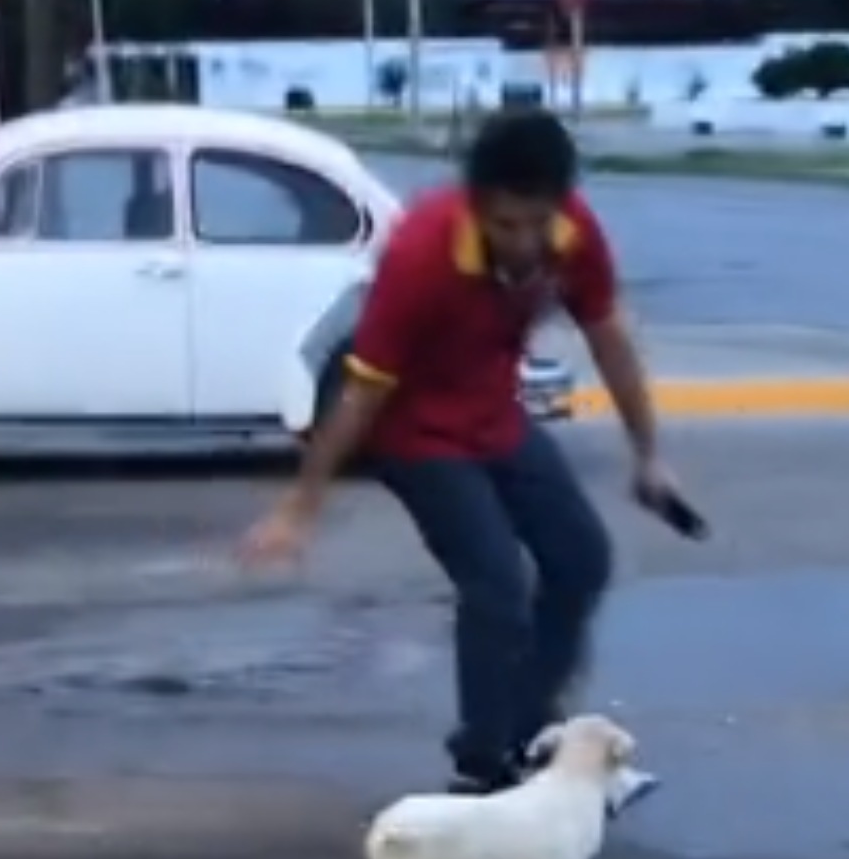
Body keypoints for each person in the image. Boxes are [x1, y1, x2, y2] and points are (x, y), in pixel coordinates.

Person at [238, 108, 690, 807]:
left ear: (560, 205)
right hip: (412, 433)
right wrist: (301, 507)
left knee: (581, 559)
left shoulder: (575, 238)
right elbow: (361, 392)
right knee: (498, 584)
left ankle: (533, 732)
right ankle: (483, 761)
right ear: (477, 207)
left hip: (494, 416)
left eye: (537, 222)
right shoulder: (423, 250)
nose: (524, 242)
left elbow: (610, 339)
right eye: (506, 225)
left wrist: (648, 455)